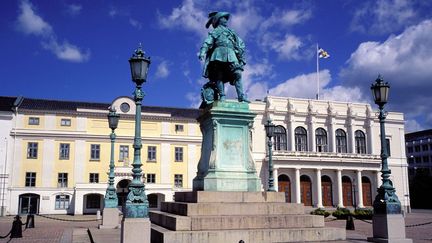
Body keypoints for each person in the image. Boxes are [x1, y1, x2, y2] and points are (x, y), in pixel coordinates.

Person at [199, 11, 250, 105]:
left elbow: (240, 44)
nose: (226, 20)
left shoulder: (231, 32)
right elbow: (208, 42)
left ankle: (241, 96)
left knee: (237, 73)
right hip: (218, 53)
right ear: (218, 20)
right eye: (223, 18)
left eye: (226, 18)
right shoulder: (216, 31)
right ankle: (222, 95)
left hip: (231, 53)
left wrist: (241, 57)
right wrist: (202, 52)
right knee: (219, 76)